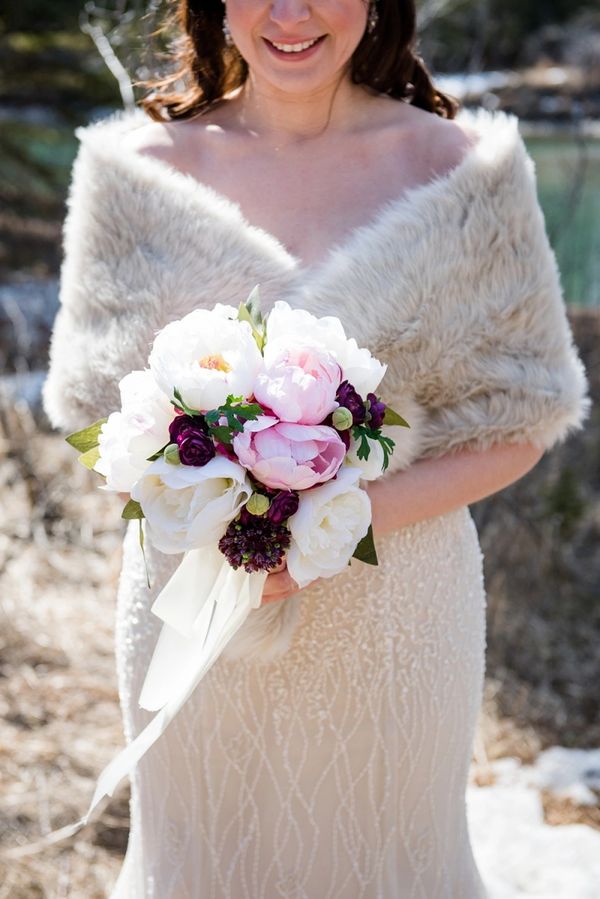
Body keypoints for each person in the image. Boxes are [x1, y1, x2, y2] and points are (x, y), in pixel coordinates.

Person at [42, 0, 590, 895]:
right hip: (198, 605)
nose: (290, 13)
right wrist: (228, 515)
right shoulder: (133, 172)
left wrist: (327, 525)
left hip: (398, 612)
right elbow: (96, 418)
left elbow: (523, 419)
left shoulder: (466, 169)